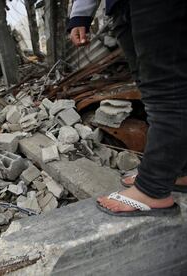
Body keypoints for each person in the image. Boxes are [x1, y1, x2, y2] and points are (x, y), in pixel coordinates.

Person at [68, 0, 186, 216]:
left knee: (167, 90)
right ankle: (178, 171)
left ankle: (153, 188)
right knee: (151, 90)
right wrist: (81, 13)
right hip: (122, 6)